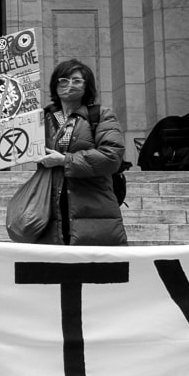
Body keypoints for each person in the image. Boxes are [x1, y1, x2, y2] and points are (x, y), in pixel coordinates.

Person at [31, 59, 127, 246]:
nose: (69, 85)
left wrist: (64, 160)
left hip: (92, 205)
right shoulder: (44, 118)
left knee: (95, 269)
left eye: (77, 80)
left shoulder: (101, 115)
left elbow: (112, 157)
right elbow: (9, 131)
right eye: (64, 80)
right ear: (55, 85)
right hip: (51, 205)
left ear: (87, 85)